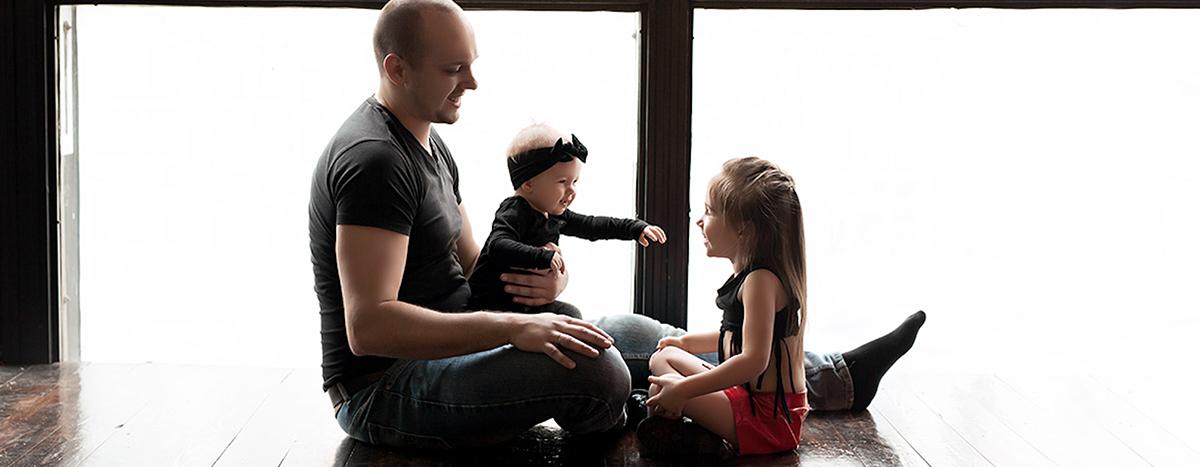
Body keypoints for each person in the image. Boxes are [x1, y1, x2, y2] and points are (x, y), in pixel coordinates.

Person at [309, 0, 925, 451]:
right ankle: (640, 410)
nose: (472, 82)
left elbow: (477, 268)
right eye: (454, 70)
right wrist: (518, 328)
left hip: (462, 339)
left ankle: (832, 376)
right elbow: (369, 328)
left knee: (642, 333)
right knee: (600, 371)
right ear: (396, 68)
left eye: (470, 64)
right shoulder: (374, 161)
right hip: (383, 387)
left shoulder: (426, 142)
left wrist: (542, 288)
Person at [637, 157, 810, 457]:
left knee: (660, 389)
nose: (699, 221)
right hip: (746, 398)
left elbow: (754, 360)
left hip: (768, 420)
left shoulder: (761, 281)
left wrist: (684, 390)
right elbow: (734, 335)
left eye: (709, 211)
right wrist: (685, 343)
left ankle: (689, 429)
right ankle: (690, 424)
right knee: (664, 357)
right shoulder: (750, 276)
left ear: (743, 228)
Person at [467, 124, 667, 317]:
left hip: (522, 306)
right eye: (562, 182)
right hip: (489, 308)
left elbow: (593, 226)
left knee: (571, 314)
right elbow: (498, 245)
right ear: (528, 184)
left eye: (575, 182)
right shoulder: (514, 210)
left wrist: (635, 228)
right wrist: (541, 257)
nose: (571, 191)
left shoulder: (554, 214)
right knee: (568, 317)